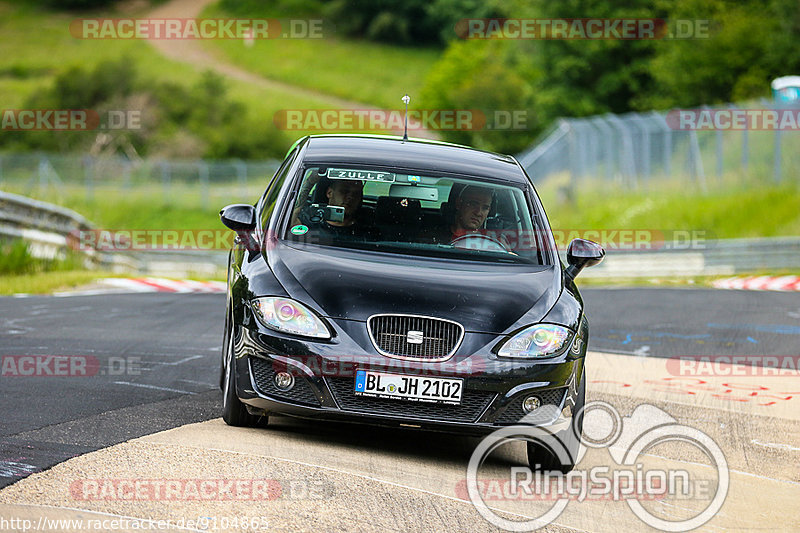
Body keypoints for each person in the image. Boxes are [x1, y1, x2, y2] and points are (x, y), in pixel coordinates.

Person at [424, 184, 494, 244]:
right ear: (459, 203)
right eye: (473, 204)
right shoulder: (433, 237)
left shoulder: (491, 242)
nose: (478, 213)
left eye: (485, 208)